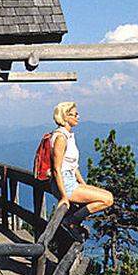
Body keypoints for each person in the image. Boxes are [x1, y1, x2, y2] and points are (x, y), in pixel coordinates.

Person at [49, 101, 113, 238]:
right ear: (65, 117)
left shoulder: (67, 135)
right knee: (107, 200)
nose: (78, 116)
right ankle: (71, 221)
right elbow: (56, 169)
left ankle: (73, 220)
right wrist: (64, 196)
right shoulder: (61, 137)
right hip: (65, 183)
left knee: (108, 195)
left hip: (70, 180)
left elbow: (72, 165)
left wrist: (83, 184)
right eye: (75, 114)